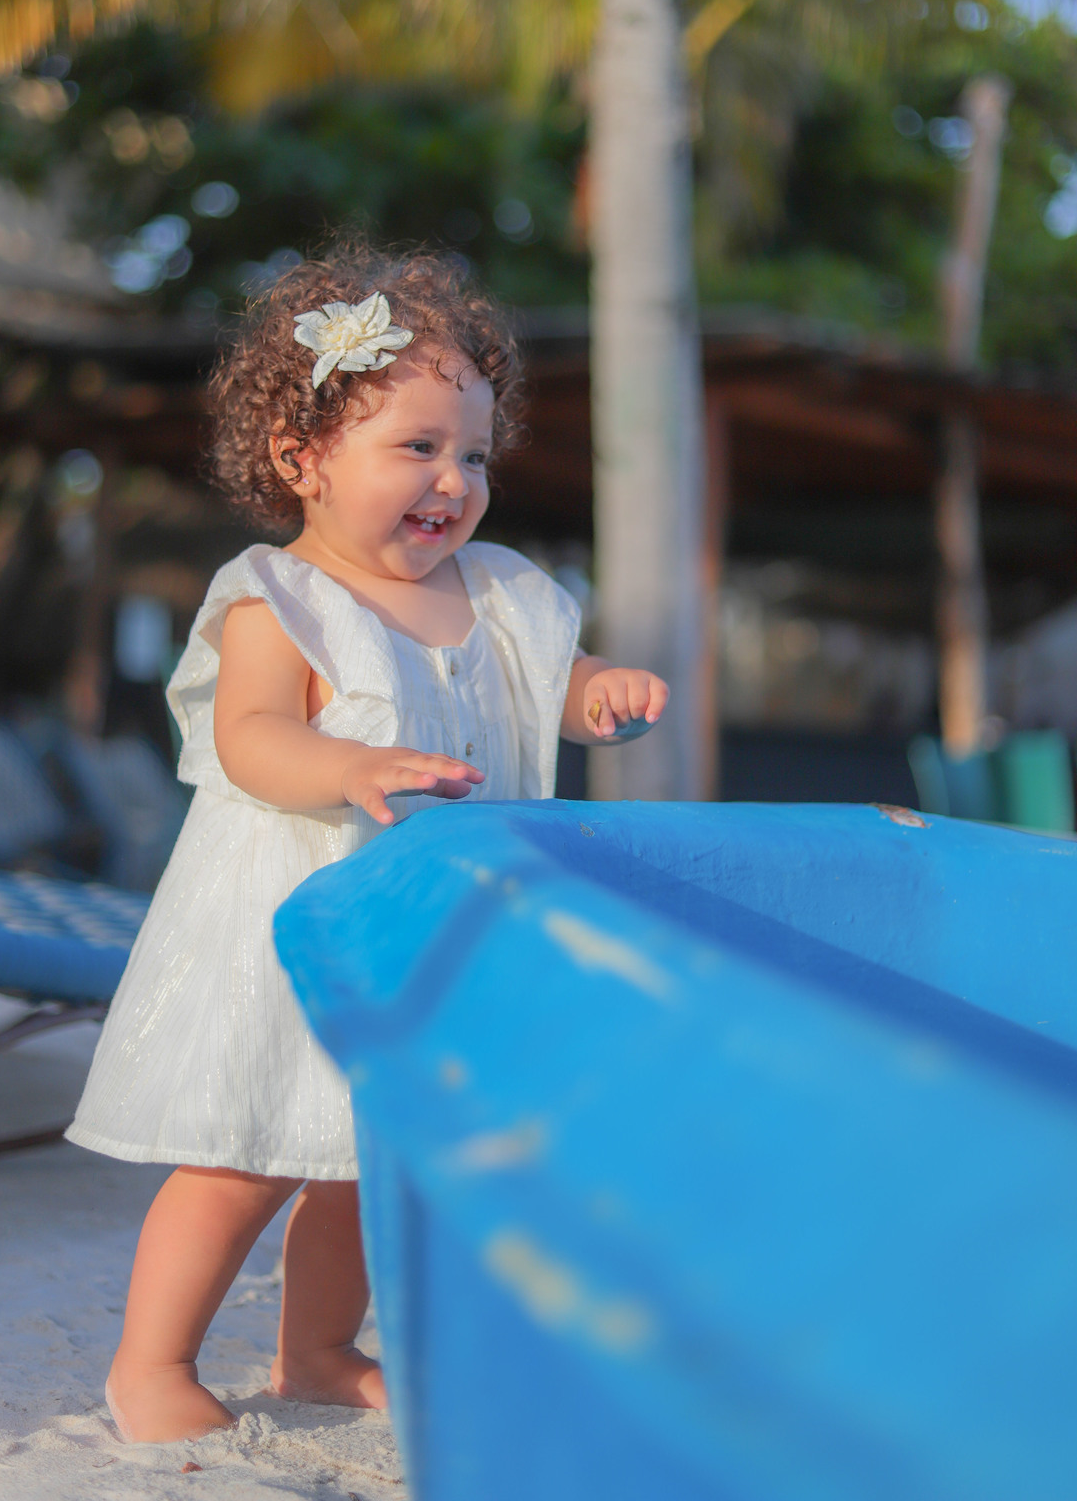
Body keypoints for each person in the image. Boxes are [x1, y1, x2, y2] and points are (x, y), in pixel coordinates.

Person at [67, 246, 670, 1443]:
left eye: (475, 453)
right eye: (419, 447)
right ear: (302, 460)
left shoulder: (495, 592)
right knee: (244, 1156)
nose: (455, 480)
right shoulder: (276, 598)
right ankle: (150, 1364)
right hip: (296, 921)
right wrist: (346, 766)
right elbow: (248, 739)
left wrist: (599, 691)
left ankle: (319, 1349)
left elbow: (551, 680)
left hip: (432, 939)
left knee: (368, 1152)